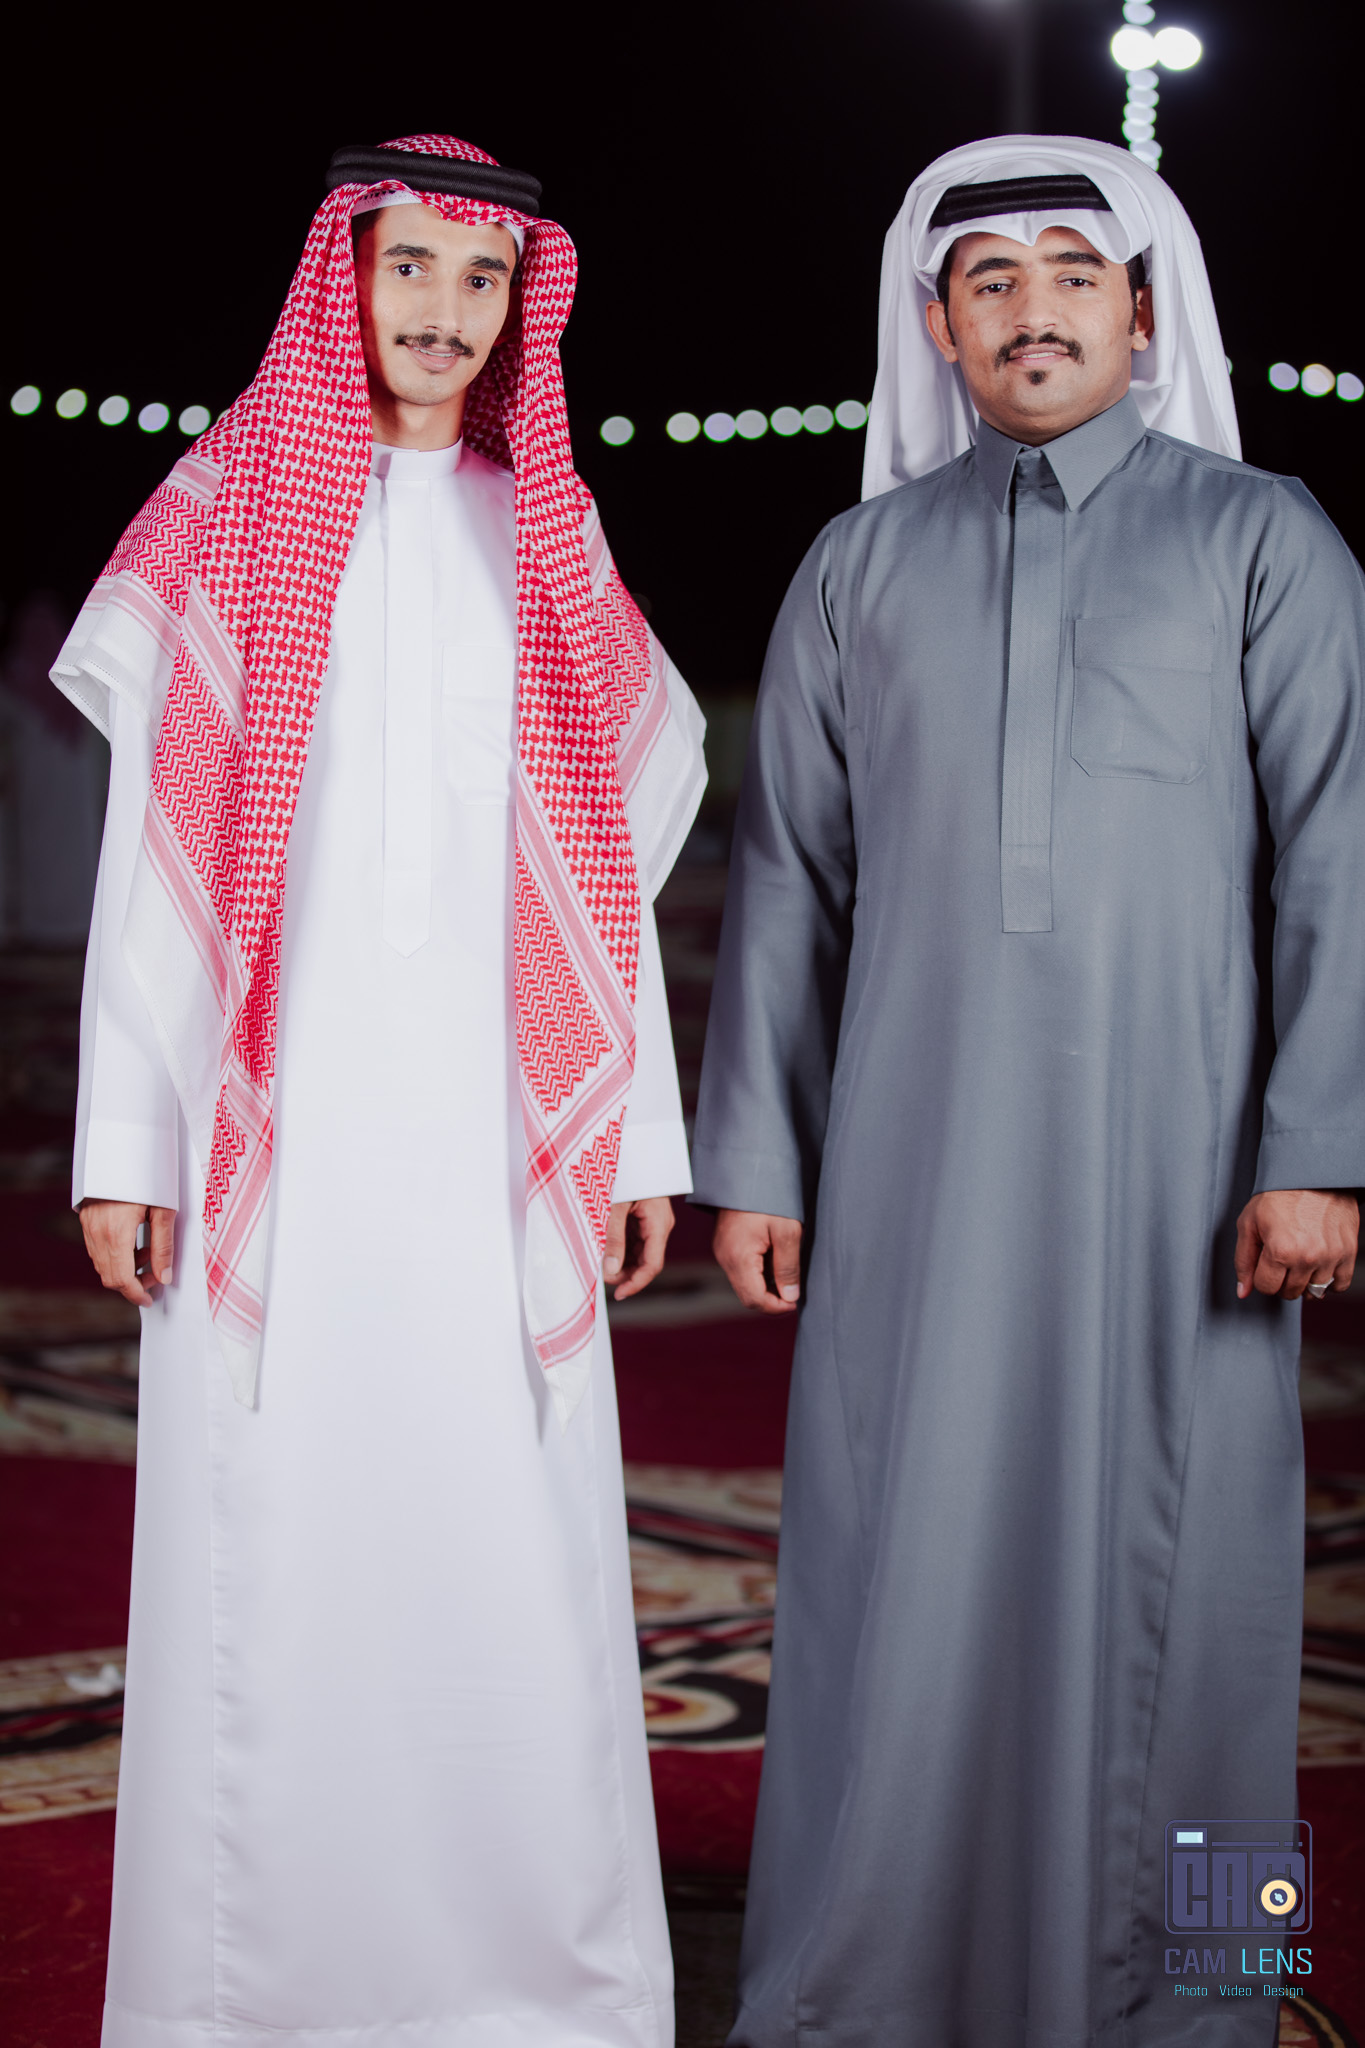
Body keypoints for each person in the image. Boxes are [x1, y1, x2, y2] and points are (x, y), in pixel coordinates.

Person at [691, 133, 1365, 2045]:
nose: (1034, 311)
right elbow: (790, 880)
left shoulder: (1264, 537)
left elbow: (1339, 857)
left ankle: (1220, 1991)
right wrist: (759, 1161)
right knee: (889, 1582)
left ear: (1142, 317)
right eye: (991, 282)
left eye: (1076, 275)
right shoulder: (856, 567)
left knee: (1211, 1613)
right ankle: (854, 1984)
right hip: (909, 1178)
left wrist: (1318, 1152)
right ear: (938, 326)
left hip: (1187, 1182)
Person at [58, 133, 705, 2048]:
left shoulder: (546, 535)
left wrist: (635, 1136)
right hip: (269, 1131)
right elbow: (146, 856)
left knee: (506, 1551)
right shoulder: (221, 514)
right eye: (409, 266)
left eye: (482, 278)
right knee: (276, 1542)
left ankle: (537, 1995)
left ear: (522, 307)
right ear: (341, 278)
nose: (443, 310)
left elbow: (606, 874)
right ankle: (248, 2000)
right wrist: (123, 1141)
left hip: (501, 1142)